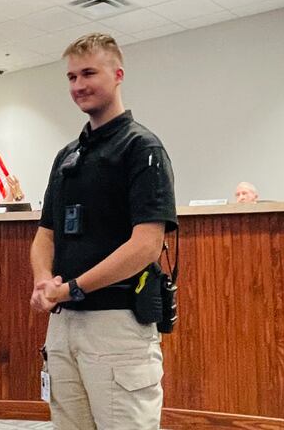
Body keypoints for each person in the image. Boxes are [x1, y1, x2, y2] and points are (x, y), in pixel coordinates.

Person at [29, 33, 177, 430]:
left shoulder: (142, 148)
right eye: (72, 77)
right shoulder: (67, 156)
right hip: (63, 324)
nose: (79, 85)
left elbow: (146, 245)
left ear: (118, 74)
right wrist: (45, 282)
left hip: (117, 325)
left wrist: (74, 287)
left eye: (89, 73)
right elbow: (46, 234)